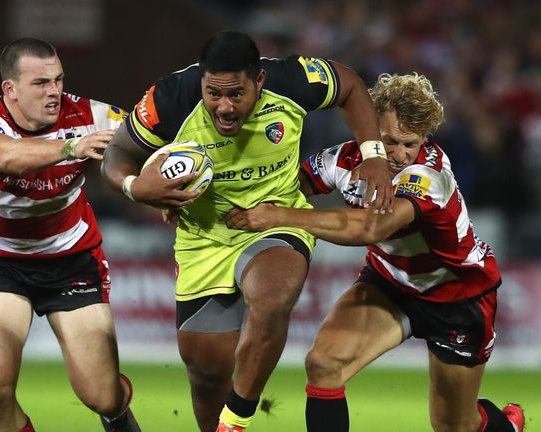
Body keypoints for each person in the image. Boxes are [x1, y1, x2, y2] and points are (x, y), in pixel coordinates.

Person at [101, 30, 393, 432]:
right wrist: (138, 188)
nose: (223, 107)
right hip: (203, 237)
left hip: (275, 219)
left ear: (259, 82)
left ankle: (237, 419)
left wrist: (374, 154)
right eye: (213, 94)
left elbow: (351, 85)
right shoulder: (170, 98)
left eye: (236, 95)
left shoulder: (292, 80)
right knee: (206, 374)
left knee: (272, 297)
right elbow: (116, 155)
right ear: (201, 82)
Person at [225, 73, 525, 432]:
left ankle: (507, 425)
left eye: (409, 144)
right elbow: (282, 190)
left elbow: (371, 227)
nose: (399, 154)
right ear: (368, 129)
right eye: (389, 141)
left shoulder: (428, 177)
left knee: (454, 425)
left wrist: (277, 216)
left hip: (458, 298)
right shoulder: (342, 159)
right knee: (324, 364)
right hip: (390, 284)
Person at [0, 37, 140, 432]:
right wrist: (72, 147)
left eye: (58, 80)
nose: (54, 91)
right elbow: (4, 156)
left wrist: (160, 188)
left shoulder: (95, 115)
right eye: (40, 83)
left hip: (71, 259)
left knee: (102, 395)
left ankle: (117, 412)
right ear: (10, 89)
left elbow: (149, 149)